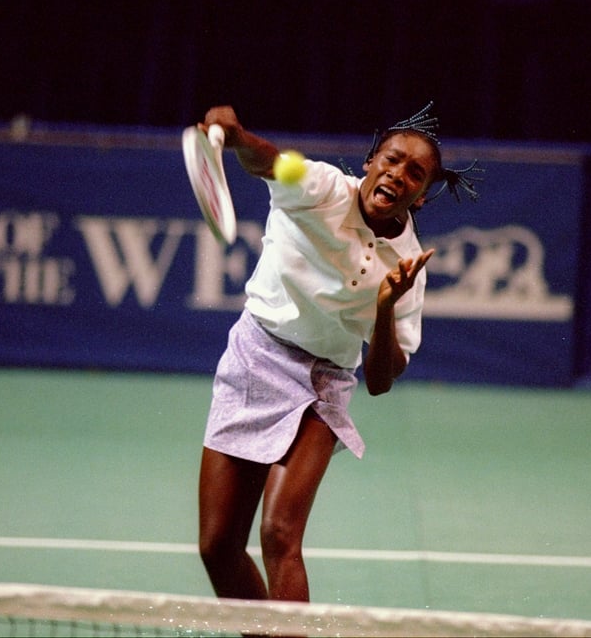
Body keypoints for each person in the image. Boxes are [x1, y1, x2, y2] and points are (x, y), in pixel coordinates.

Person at [196, 102, 479, 603]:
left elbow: (381, 379)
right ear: (370, 162)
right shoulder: (322, 187)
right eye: (391, 160)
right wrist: (237, 137)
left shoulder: (409, 263)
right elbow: (273, 162)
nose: (399, 174)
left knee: (280, 535)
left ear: (422, 197)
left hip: (321, 383)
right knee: (218, 546)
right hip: (254, 356)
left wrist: (387, 307)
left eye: (416, 173)